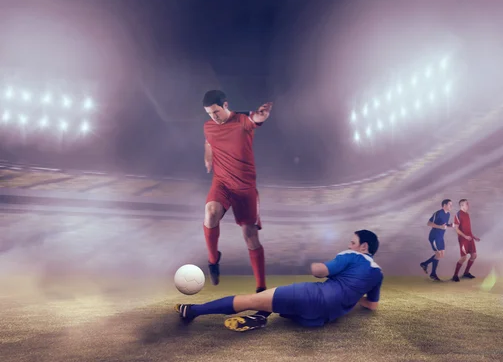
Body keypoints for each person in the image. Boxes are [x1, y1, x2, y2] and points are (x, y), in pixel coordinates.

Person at [175, 230, 383, 332]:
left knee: (252, 299)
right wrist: (355, 297)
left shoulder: (352, 255)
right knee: (277, 304)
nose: (349, 244)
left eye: (353, 242)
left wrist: (310, 264)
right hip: (320, 320)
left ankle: (191, 311)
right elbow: (372, 305)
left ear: (364, 246)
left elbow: (321, 271)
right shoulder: (378, 274)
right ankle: (259, 318)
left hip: (312, 297)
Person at [201, 89, 273, 294]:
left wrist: (263, 115)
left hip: (245, 187)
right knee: (210, 212)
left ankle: (261, 288)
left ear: (225, 105)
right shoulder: (208, 126)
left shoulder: (242, 120)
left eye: (215, 112)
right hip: (222, 182)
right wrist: (208, 156)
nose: (213, 117)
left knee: (250, 236)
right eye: (209, 113)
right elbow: (208, 141)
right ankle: (213, 260)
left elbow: (256, 118)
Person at [419, 199, 454, 281]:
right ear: (444, 205)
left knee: (441, 255)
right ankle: (433, 274)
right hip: (434, 237)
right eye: (449, 204)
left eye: (451, 205)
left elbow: (443, 225)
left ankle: (424, 264)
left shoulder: (448, 214)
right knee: (438, 255)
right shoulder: (438, 213)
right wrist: (440, 227)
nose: (451, 206)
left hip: (440, 237)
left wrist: (450, 225)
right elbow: (429, 223)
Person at [452, 199, 481, 282]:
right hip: (463, 239)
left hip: (470, 238)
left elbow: (468, 229)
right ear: (462, 205)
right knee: (463, 258)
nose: (468, 205)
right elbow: (456, 229)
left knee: (474, 255)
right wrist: (465, 236)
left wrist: (473, 237)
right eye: (466, 204)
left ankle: (466, 273)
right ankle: (455, 275)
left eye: (468, 204)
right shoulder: (458, 215)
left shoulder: (467, 214)